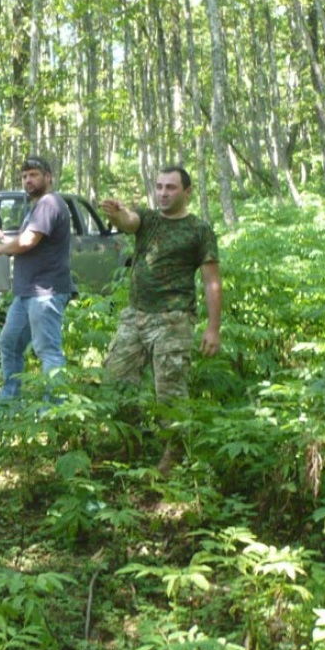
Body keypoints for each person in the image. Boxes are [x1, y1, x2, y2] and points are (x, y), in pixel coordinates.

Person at [100, 165, 222, 470]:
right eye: (159, 187)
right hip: (135, 317)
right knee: (115, 382)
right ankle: (131, 443)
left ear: (187, 191)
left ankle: (175, 457)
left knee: (170, 392)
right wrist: (117, 214)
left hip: (173, 319)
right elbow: (130, 221)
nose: (163, 193)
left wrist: (213, 328)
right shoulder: (149, 219)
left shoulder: (198, 230)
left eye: (171, 187)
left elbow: (211, 282)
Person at [0, 156, 74, 401]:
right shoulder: (37, 208)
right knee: (10, 342)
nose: (28, 180)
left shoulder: (49, 203)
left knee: (48, 351)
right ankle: (9, 399)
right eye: (24, 176)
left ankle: (55, 409)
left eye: (33, 174)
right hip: (27, 293)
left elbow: (27, 242)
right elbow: (27, 239)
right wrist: (3, 239)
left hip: (46, 292)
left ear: (48, 177)